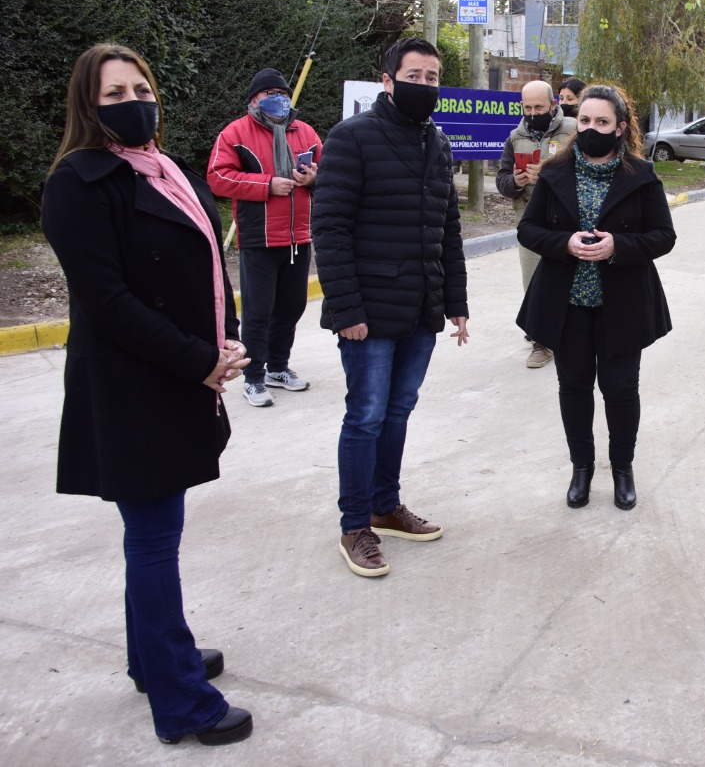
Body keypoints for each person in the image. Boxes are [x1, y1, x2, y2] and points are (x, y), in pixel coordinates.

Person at [41, 43, 253, 746]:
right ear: (88, 105)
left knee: (155, 533)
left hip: (181, 373)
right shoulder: (77, 183)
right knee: (155, 539)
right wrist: (199, 361)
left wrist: (227, 338)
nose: (134, 102)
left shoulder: (164, 168)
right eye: (114, 94)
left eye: (141, 89)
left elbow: (206, 263)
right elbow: (107, 302)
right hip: (133, 385)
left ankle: (152, 659)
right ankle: (182, 703)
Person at [312, 38, 470, 578]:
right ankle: (355, 525)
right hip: (368, 313)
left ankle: (385, 505)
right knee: (366, 416)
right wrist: (347, 309)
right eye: (414, 75)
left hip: (420, 308)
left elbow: (448, 229)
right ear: (388, 80)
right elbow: (329, 229)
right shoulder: (351, 137)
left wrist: (456, 301)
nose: (424, 85)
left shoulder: (437, 142)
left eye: (432, 77)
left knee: (398, 411)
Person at [516, 85, 676, 511]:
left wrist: (618, 246)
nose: (591, 128)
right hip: (567, 305)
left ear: (620, 128)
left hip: (622, 305)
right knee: (573, 388)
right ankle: (581, 469)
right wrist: (564, 243)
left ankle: (623, 469)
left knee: (621, 390)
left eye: (602, 122)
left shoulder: (641, 175)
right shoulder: (555, 172)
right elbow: (528, 229)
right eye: (584, 120)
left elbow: (664, 236)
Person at [207, 68, 322, 407]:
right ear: (254, 99)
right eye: (270, 93)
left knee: (291, 308)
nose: (279, 99)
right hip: (259, 238)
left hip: (298, 237)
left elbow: (329, 171)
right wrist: (266, 185)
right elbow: (217, 177)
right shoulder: (235, 133)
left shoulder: (305, 132)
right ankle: (254, 377)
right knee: (258, 312)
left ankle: (278, 368)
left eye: (283, 93)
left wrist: (313, 179)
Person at [496, 79, 576, 368]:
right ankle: (541, 343)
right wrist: (515, 182)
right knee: (534, 283)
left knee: (570, 281)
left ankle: (571, 334)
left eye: (538, 107)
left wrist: (548, 176)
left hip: (568, 221)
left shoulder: (573, 130)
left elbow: (586, 172)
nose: (532, 113)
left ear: (553, 105)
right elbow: (502, 179)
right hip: (530, 222)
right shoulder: (515, 137)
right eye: (527, 107)